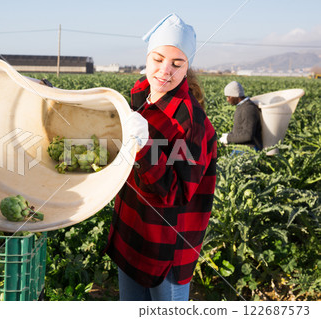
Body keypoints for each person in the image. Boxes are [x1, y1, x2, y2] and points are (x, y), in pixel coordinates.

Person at [104, 13, 217, 301]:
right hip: (131, 236)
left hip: (165, 251)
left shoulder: (192, 123)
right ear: (147, 58)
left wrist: (145, 147)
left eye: (176, 64)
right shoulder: (136, 100)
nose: (165, 70)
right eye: (158, 59)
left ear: (186, 68)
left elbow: (177, 193)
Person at [219, 81, 262, 150]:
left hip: (250, 150)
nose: (227, 100)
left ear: (235, 95)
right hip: (242, 147)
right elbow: (240, 130)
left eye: (229, 96)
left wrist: (228, 138)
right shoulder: (242, 107)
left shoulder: (248, 109)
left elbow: (247, 135)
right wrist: (229, 135)